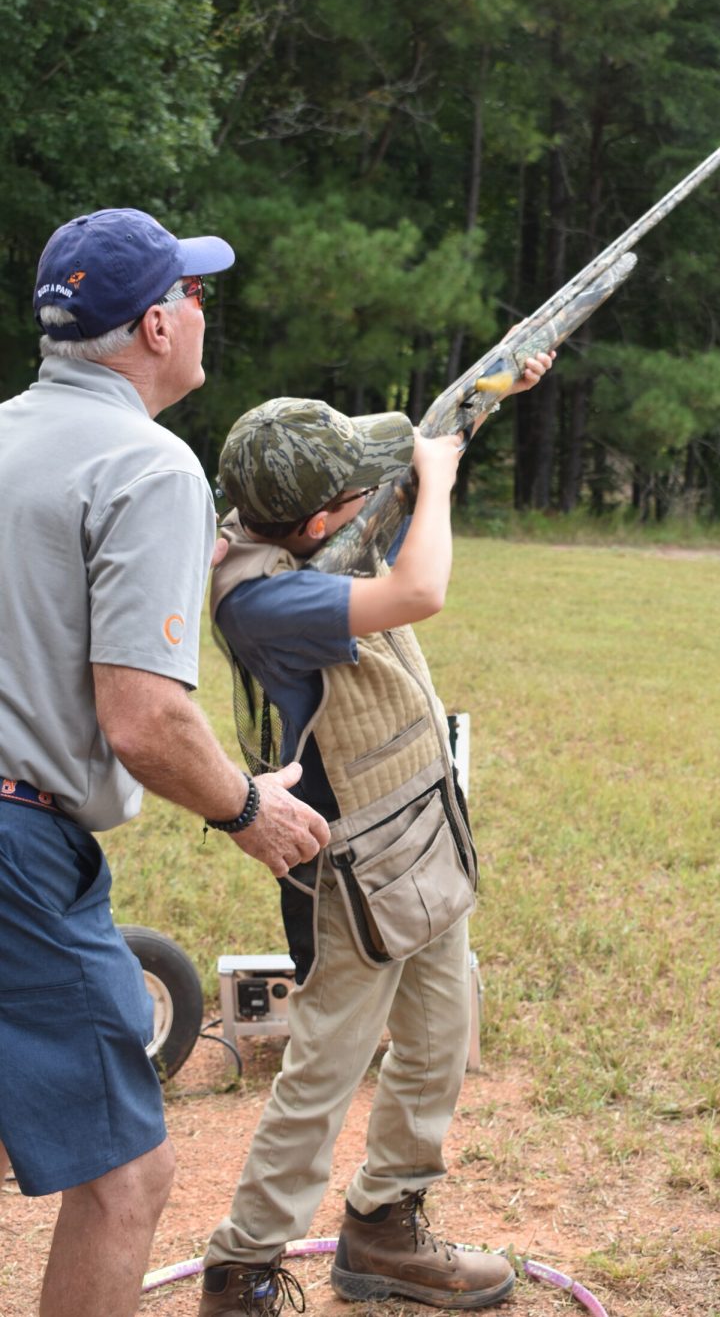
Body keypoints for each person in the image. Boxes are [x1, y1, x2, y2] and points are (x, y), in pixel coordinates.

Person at [0, 208, 331, 1317]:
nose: (200, 311)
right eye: (191, 294)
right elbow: (141, 717)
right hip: (16, 848)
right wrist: (249, 809)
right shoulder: (148, 466)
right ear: (153, 325)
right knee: (127, 1172)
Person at [199, 357, 554, 1314]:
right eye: (356, 496)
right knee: (324, 1068)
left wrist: (490, 397)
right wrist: (435, 488)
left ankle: (386, 1225)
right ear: (317, 523)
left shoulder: (292, 512)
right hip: (355, 859)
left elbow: (407, 444)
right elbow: (417, 591)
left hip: (419, 825)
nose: (374, 495)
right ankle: (241, 1268)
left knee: (440, 1038)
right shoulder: (263, 598)